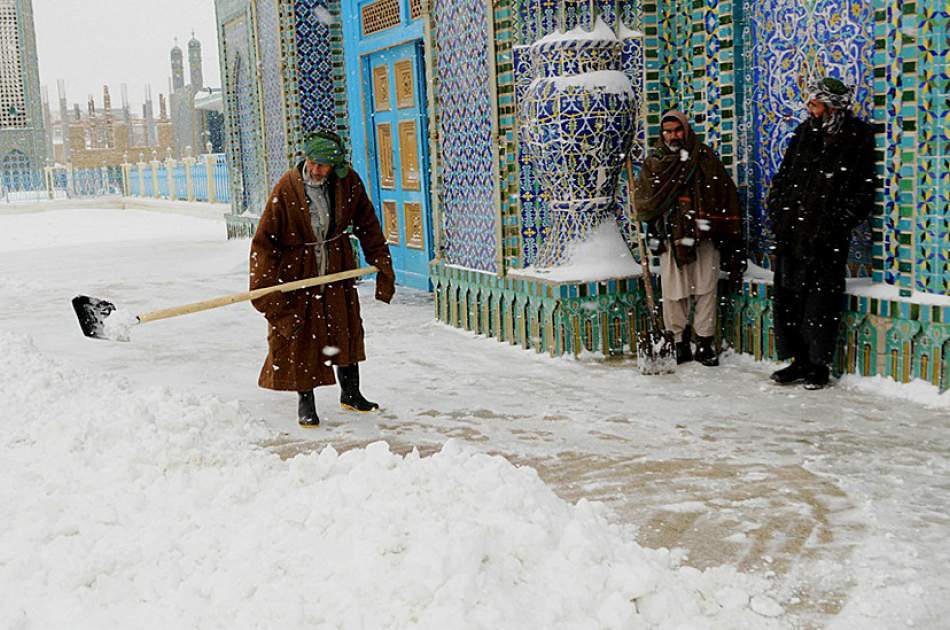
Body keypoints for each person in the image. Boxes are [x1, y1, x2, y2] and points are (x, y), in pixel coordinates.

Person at [249, 130, 395, 427]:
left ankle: (351, 393)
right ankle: (306, 401)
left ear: (336, 166)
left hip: (336, 270)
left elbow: (367, 223)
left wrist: (380, 261)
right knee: (303, 336)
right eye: (313, 163)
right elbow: (263, 243)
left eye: (323, 166)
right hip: (299, 274)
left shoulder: (347, 182)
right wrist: (265, 287)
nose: (316, 170)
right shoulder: (286, 189)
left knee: (344, 330)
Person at [766, 77, 876, 390]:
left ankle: (818, 365)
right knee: (789, 299)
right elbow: (785, 176)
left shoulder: (856, 136)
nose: (810, 110)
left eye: (815, 104)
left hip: (825, 238)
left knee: (820, 303)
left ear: (831, 106)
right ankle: (798, 360)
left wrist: (836, 223)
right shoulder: (805, 132)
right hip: (792, 232)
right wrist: (779, 211)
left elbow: (863, 189)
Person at [634, 110, 746, 366]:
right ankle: (678, 342)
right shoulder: (655, 162)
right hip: (670, 235)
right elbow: (646, 201)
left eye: (677, 130)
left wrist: (715, 225)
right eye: (668, 131)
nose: (673, 136)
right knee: (674, 292)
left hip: (703, 233)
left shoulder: (703, 157)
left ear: (686, 130)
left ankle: (705, 342)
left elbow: (722, 192)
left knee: (706, 287)